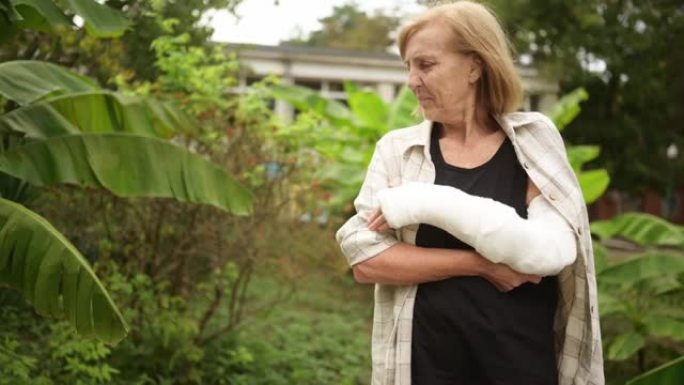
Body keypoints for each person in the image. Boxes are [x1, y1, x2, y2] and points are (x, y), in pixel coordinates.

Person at [335, 1, 604, 385]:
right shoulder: (398, 150)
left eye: (425, 65)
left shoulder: (531, 141)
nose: (412, 80)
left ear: (475, 66)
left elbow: (553, 251)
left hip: (519, 364)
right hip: (427, 366)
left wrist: (428, 213)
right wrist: (480, 264)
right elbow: (366, 259)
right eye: (408, 67)